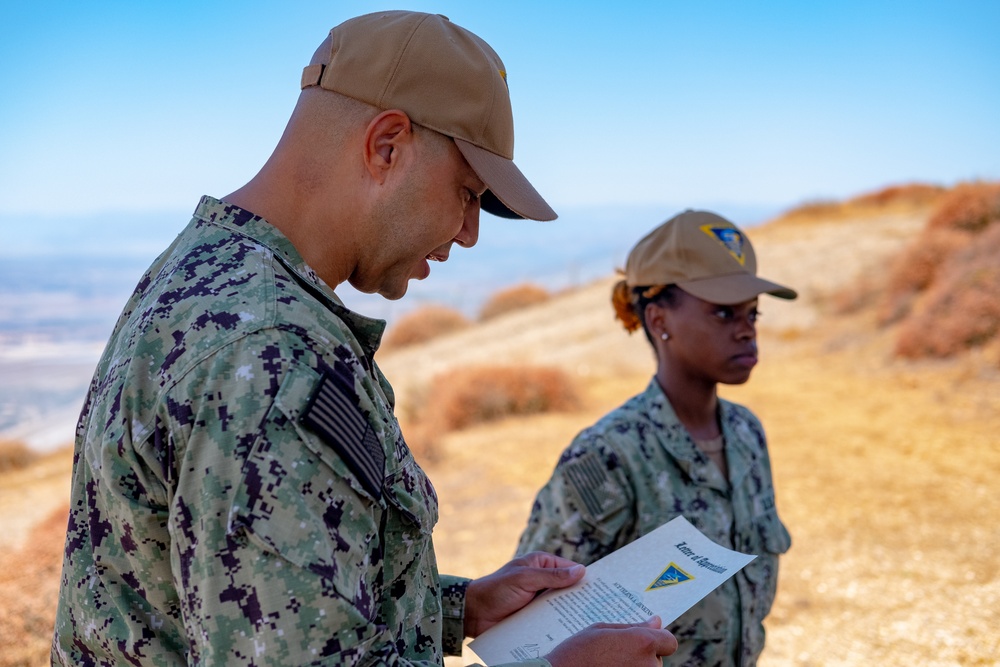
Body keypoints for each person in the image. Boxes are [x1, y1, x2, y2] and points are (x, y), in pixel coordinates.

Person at [51, 11, 677, 667]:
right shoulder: (273, 352)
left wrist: (456, 608)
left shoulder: (206, 270)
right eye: (467, 193)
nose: (469, 232)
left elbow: (229, 593)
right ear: (386, 146)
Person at [516, 209, 796, 666]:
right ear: (659, 319)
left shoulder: (746, 433)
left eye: (752, 313)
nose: (747, 329)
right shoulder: (607, 455)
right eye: (724, 312)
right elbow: (533, 624)